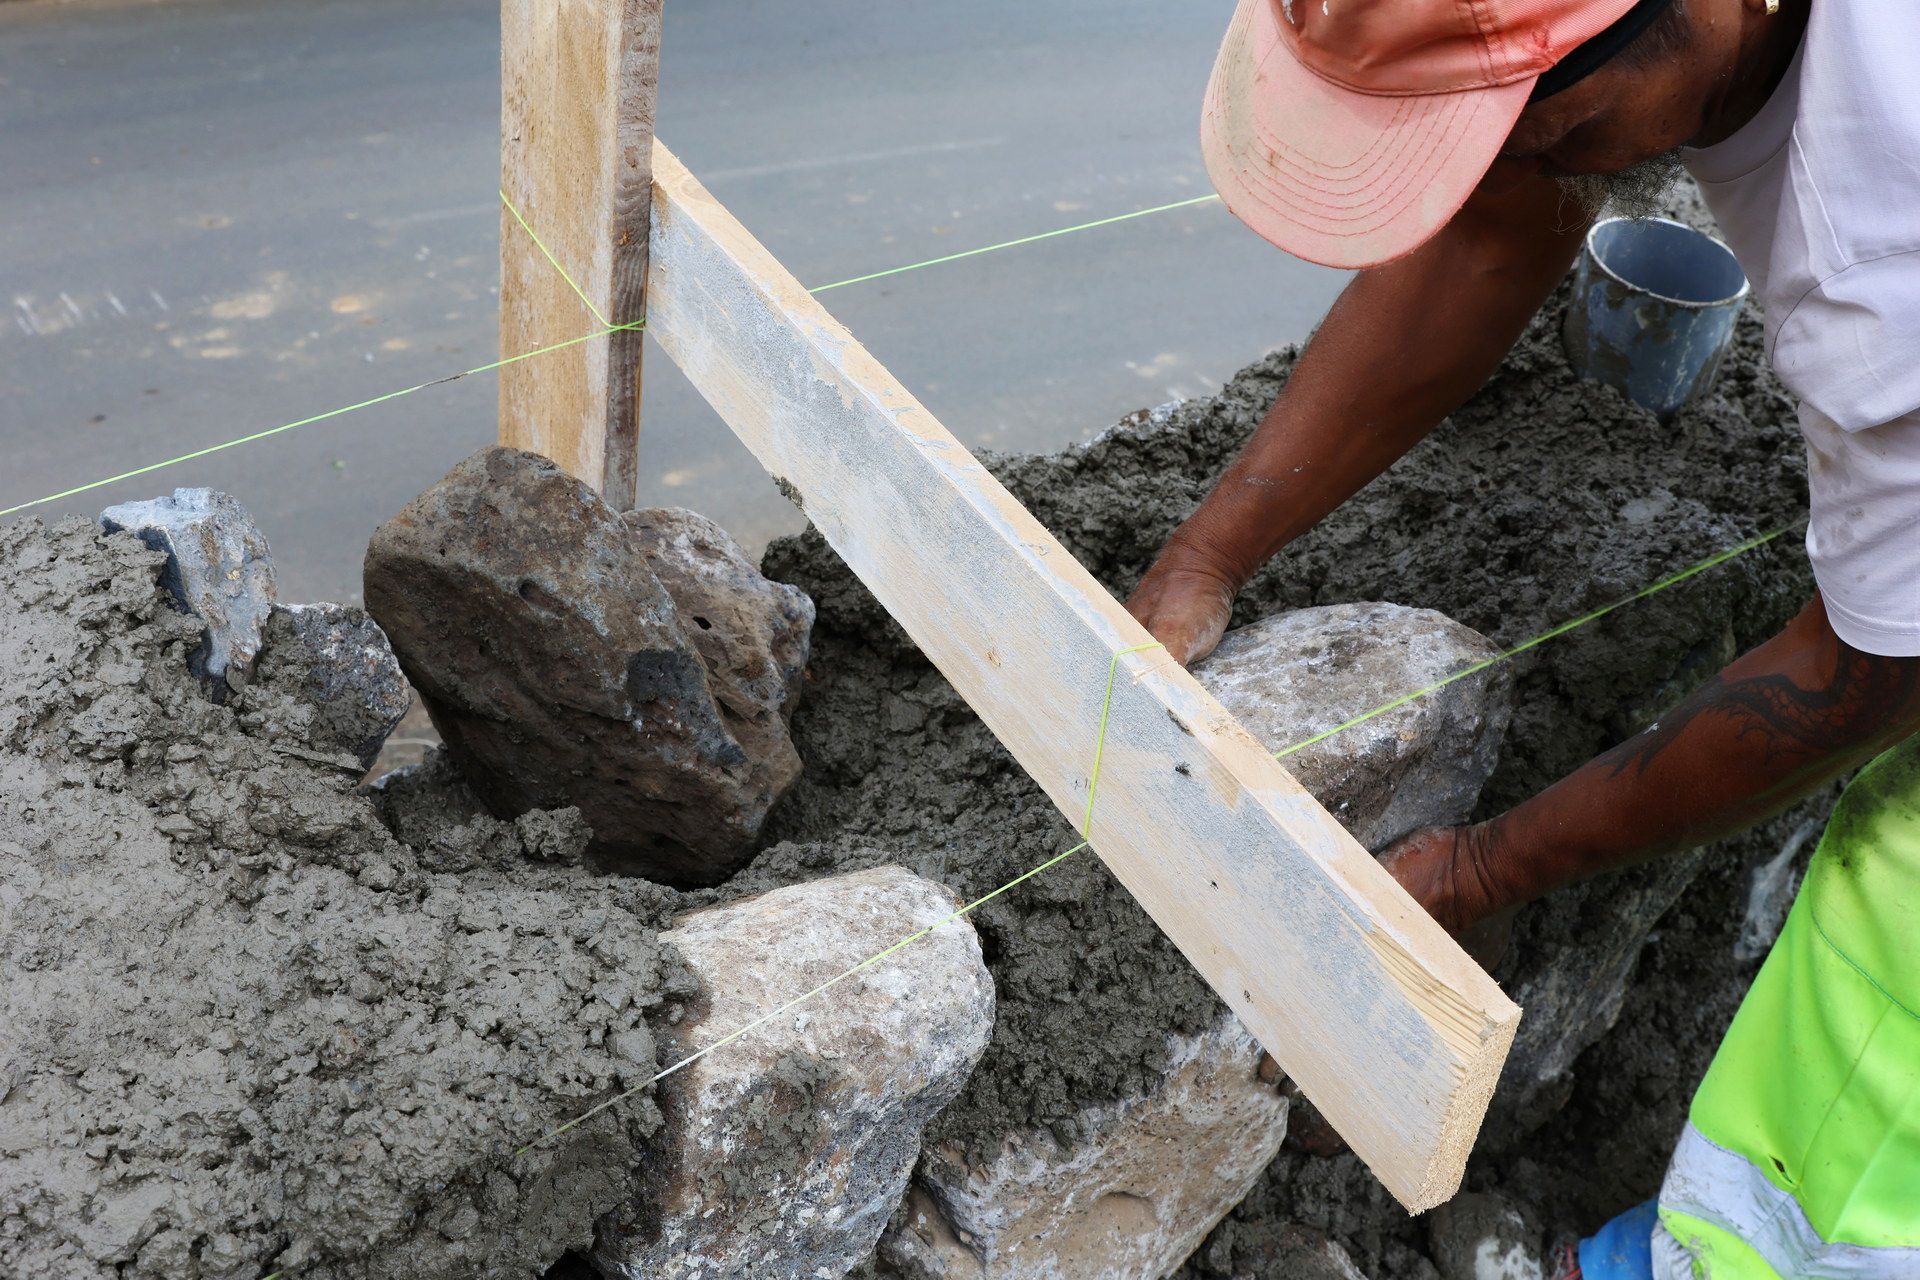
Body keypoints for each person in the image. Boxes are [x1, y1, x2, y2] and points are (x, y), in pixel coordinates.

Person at [1126, 0, 1920, 1276]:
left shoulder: (1882, 271)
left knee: (1891, 956)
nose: (1508, 163)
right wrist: (1203, 555)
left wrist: (1477, 870)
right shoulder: (1671, 58)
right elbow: (1495, 230)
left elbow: (1863, 681)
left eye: (1535, 128)